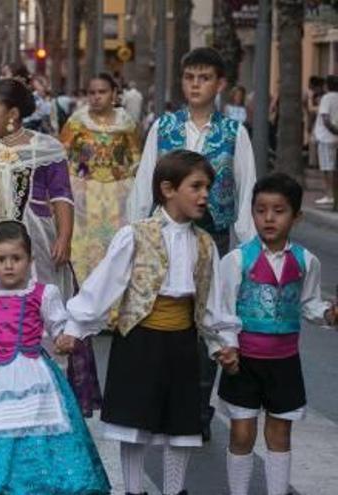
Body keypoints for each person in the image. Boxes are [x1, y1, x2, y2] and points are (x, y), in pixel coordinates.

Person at [60, 150, 242, 495]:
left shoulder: (205, 244)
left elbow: (213, 302)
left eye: (209, 187)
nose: (206, 195)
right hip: (140, 340)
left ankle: (175, 491)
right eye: (197, 186)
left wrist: (224, 342)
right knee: (134, 424)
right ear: (168, 189)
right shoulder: (135, 235)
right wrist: (76, 327)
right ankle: (133, 490)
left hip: (183, 344)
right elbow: (104, 284)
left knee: (181, 427)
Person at [0, 79, 101, 415]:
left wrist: (65, 237)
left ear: (12, 114)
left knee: (38, 309)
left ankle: (42, 389)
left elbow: (61, 195)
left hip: (35, 243)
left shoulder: (46, 148)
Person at [126, 47, 256, 440]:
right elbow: (144, 181)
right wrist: (135, 236)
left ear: (220, 84)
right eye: (189, 78)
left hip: (210, 238)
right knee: (164, 319)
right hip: (163, 237)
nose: (195, 85)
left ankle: (198, 407)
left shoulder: (235, 132)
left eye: (204, 78)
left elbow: (246, 187)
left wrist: (249, 250)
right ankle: (162, 403)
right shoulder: (163, 127)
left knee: (207, 321)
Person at [0, 221, 110, 495]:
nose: (9, 266)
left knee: (32, 423)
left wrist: (65, 340)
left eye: (16, 258)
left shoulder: (43, 294)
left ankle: (30, 482)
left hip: (32, 371)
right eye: (1, 259)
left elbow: (59, 328)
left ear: (30, 260)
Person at [218, 173, 338, 495]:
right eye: (260, 210)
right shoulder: (238, 260)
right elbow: (222, 310)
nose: (268, 218)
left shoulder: (305, 262)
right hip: (242, 362)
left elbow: (309, 303)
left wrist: (328, 314)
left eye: (279, 210)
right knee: (241, 434)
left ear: (296, 217)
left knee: (279, 434)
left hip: (284, 361)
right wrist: (227, 347)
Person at [59, 73, 141, 285]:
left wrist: (128, 178)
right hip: (84, 193)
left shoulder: (126, 122)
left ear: (113, 94)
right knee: (83, 246)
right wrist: (75, 175)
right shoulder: (77, 121)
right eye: (92, 93)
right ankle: (83, 289)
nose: (96, 97)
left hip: (118, 195)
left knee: (116, 243)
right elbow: (62, 153)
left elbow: (136, 157)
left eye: (102, 92)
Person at [313, 75, 338, 206]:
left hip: (325, 137)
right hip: (334, 139)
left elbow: (325, 118)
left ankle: (329, 195)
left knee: (327, 168)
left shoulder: (326, 98)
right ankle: (332, 194)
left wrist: (334, 131)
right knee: (332, 167)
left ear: (327, 86)